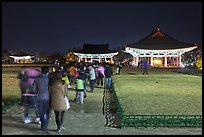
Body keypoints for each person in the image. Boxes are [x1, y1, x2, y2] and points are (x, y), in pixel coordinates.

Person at [33, 66, 50, 132]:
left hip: (39, 97)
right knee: (47, 112)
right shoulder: (49, 79)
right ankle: (45, 125)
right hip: (47, 97)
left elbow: (34, 89)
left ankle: (43, 125)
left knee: (41, 112)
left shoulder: (37, 79)